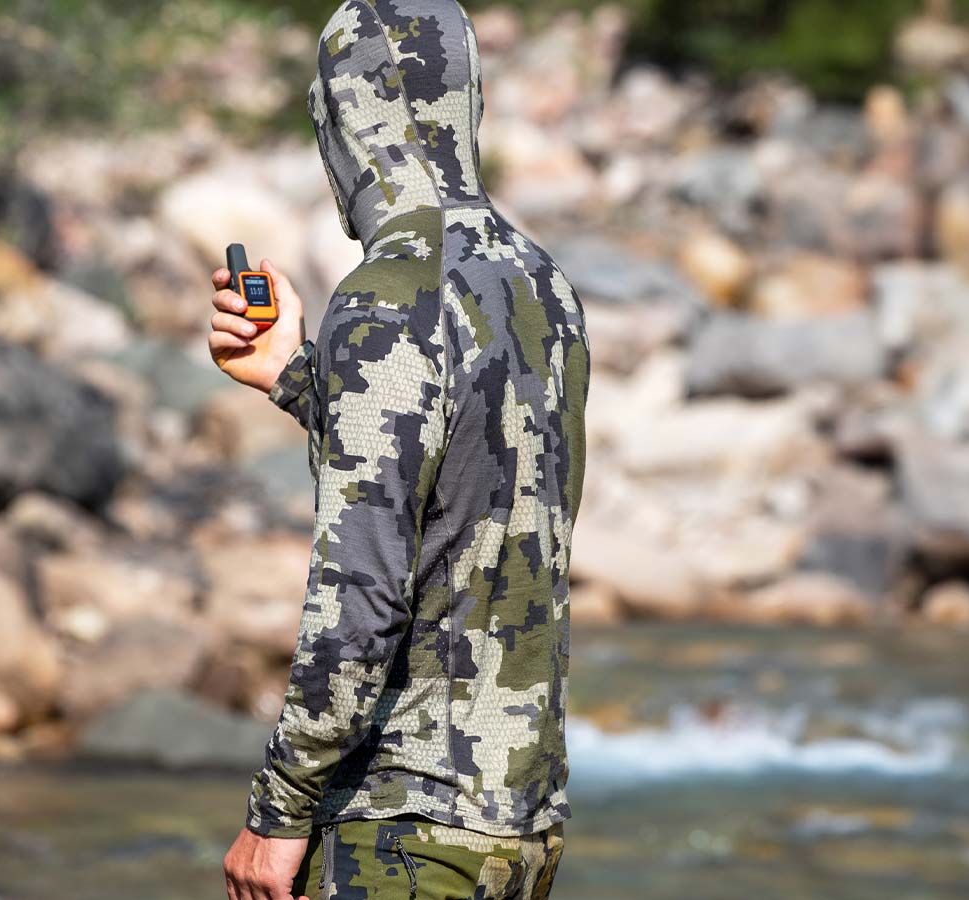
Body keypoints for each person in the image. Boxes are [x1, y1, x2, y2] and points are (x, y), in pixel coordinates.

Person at [206, 1, 589, 897]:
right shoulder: (543, 285)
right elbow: (461, 478)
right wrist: (300, 379)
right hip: (523, 824)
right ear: (469, 105)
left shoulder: (386, 297)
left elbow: (361, 602)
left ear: (341, 119)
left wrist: (275, 815)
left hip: (403, 831)